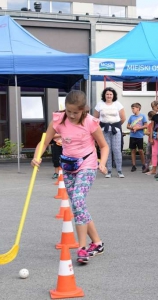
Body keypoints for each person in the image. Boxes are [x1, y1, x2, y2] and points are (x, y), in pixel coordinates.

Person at [31, 90, 109, 264]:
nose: (72, 115)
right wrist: (37, 156)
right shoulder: (59, 120)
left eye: (76, 112)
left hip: (87, 164)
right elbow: (44, 141)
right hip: (67, 166)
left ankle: (81, 248)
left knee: (79, 201)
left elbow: (104, 146)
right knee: (78, 206)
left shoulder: (90, 122)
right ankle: (97, 243)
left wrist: (102, 163)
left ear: (84, 110)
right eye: (69, 111)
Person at [93, 87, 126, 178]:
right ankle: (109, 171)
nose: (109, 96)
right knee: (107, 150)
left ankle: (119, 170)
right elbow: (95, 118)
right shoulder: (99, 104)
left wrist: (115, 125)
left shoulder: (118, 104)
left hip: (116, 130)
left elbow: (123, 118)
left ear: (113, 95)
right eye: (107, 94)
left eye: (111, 94)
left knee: (116, 149)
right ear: (104, 95)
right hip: (104, 130)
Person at [127, 102, 148, 172]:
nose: (132, 110)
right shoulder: (131, 117)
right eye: (132, 108)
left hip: (139, 136)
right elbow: (128, 126)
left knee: (141, 150)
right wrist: (132, 128)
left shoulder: (142, 116)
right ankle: (133, 165)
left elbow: (146, 125)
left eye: (133, 108)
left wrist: (138, 128)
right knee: (133, 150)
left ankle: (143, 164)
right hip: (133, 136)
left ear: (138, 108)